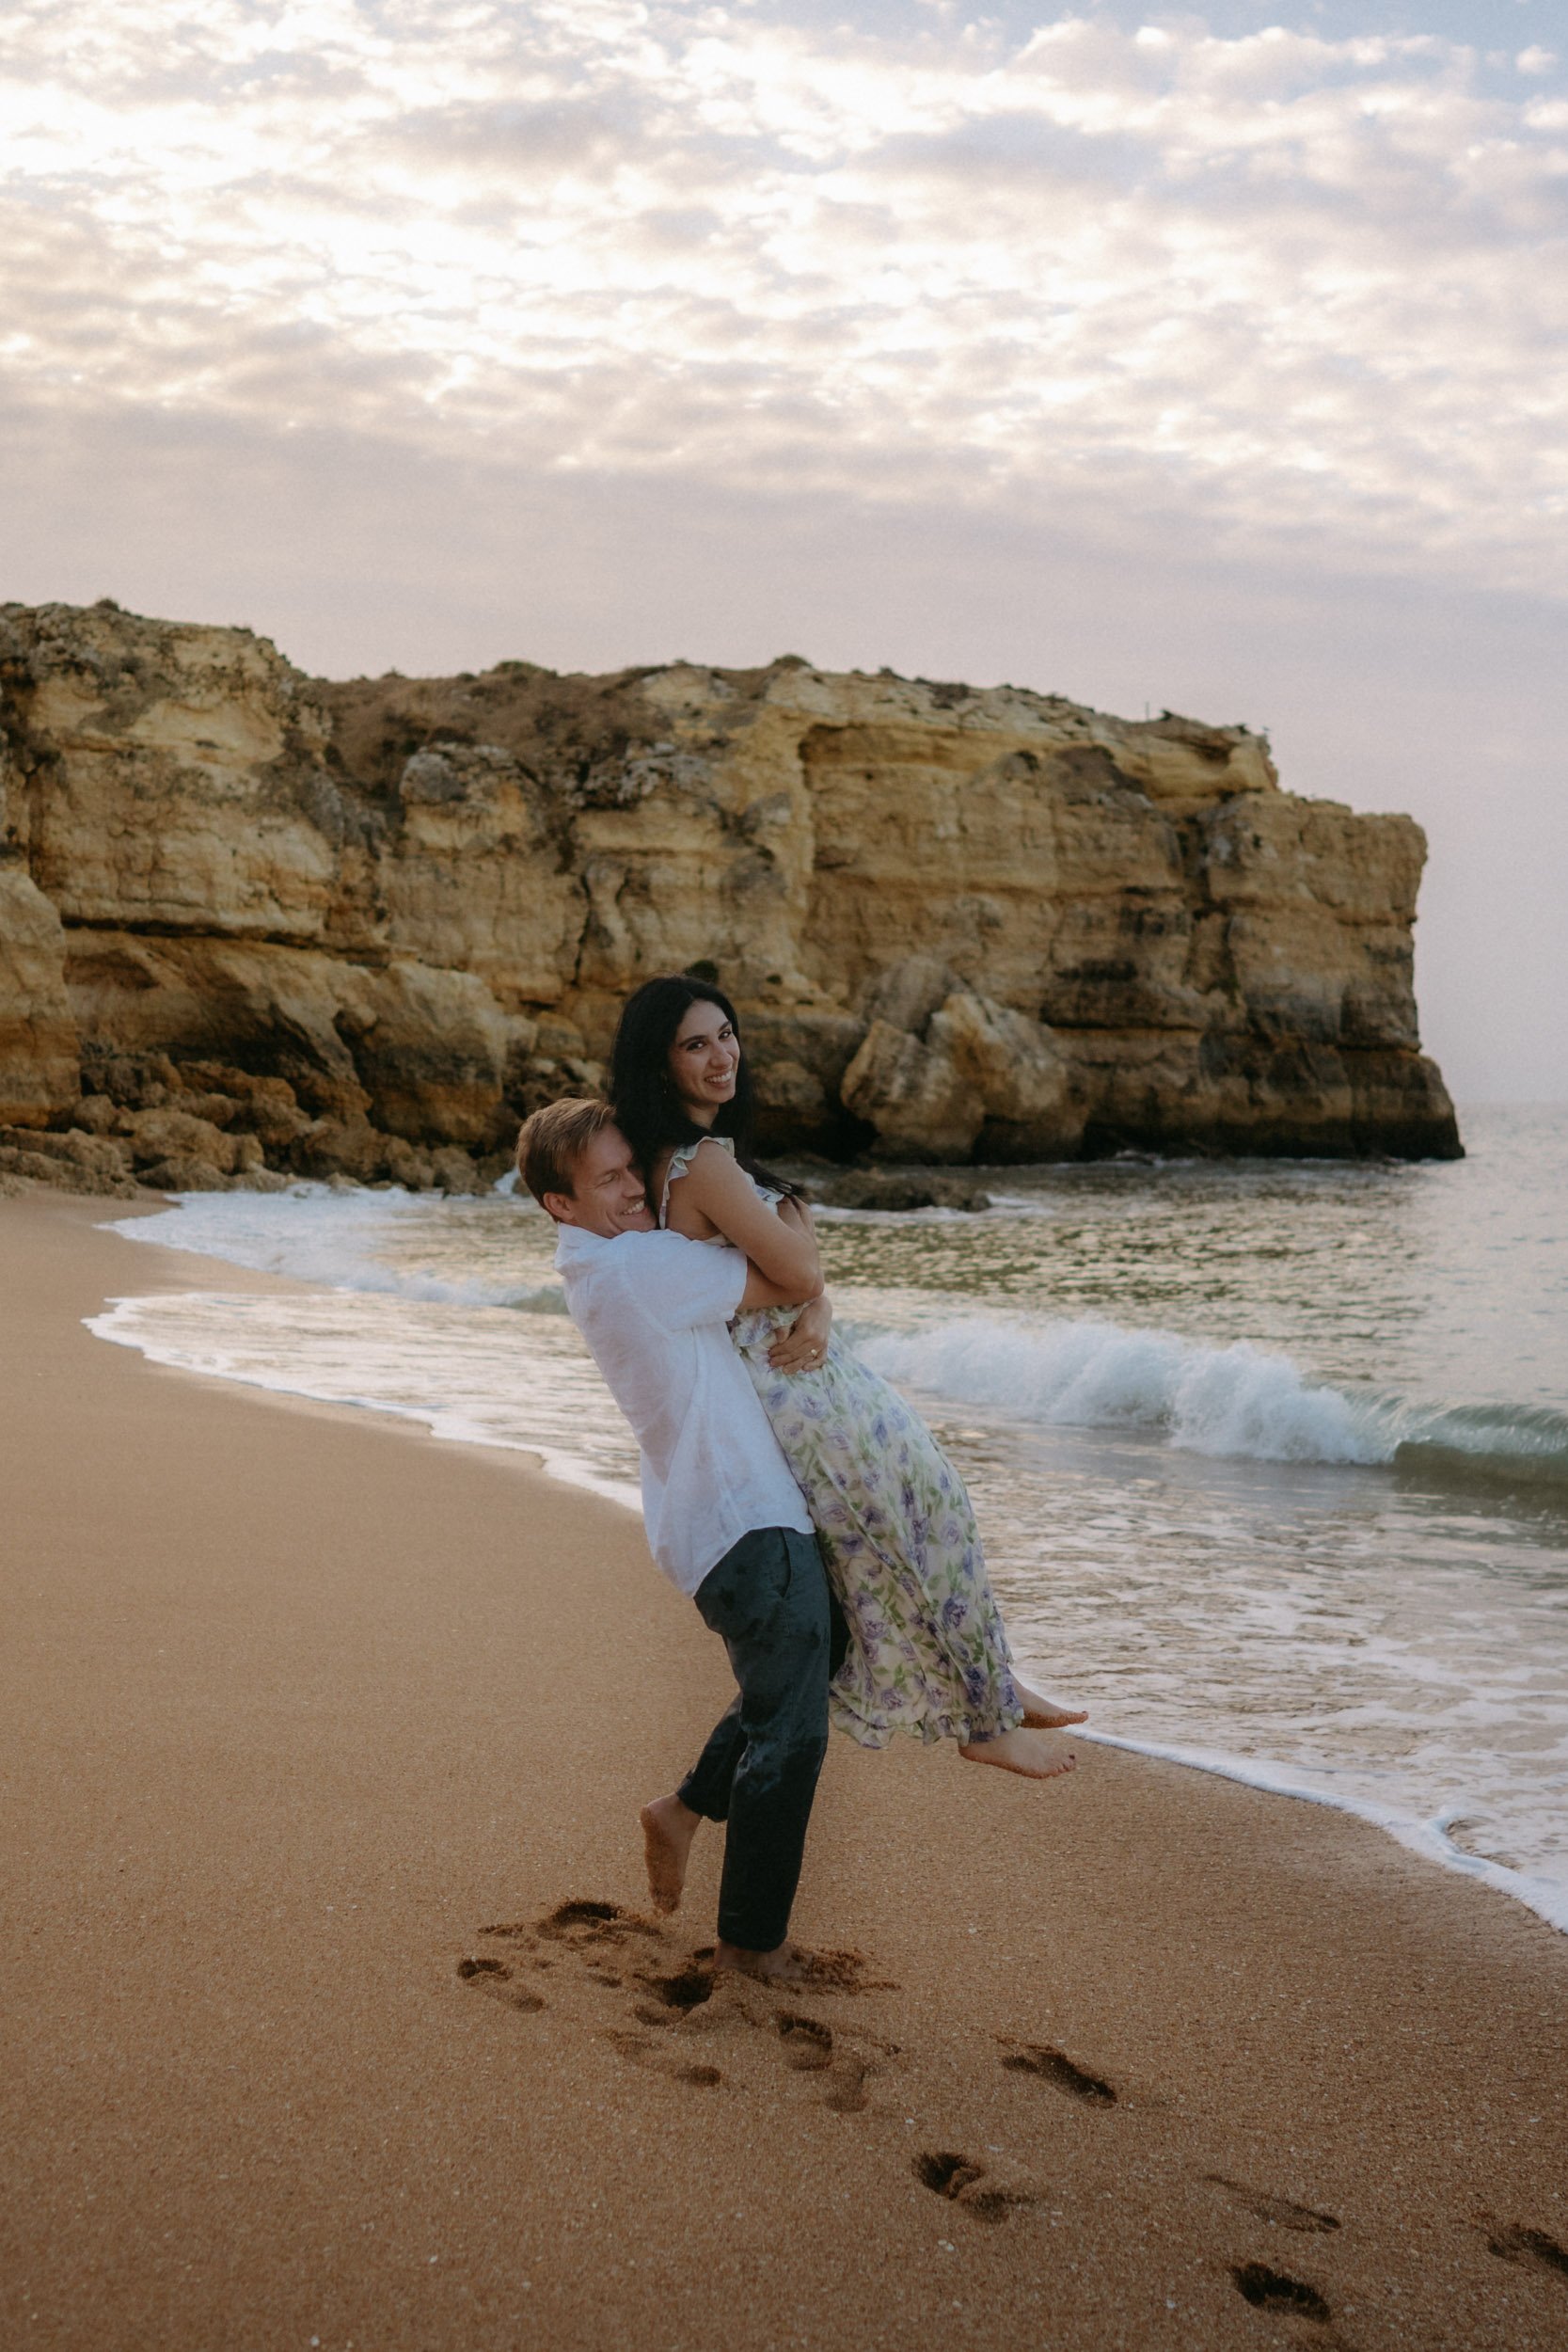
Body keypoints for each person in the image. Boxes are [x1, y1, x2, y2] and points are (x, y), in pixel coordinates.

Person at [609, 973, 1086, 1781]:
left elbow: (793, 1270)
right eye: (695, 1044)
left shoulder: (692, 1159)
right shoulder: (699, 1162)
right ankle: (985, 1718)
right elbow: (793, 1268)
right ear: (660, 1067)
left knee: (920, 1516)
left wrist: (813, 1290)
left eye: (725, 1034)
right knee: (920, 1515)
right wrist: (808, 1273)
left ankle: (992, 1687)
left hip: (792, 1371)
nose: (722, 1055)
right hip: (794, 1389)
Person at [516, 1094, 847, 1985]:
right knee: (794, 1736)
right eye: (610, 1178)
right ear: (560, 1201)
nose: (634, 1190)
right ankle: (750, 1946)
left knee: (810, 1675)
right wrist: (812, 1303)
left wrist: (805, 1289)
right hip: (741, 1518)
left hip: (722, 1519)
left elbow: (781, 1243)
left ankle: (685, 1808)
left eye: (636, 1167)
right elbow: (791, 1266)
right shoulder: (639, 1268)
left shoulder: (607, 1261)